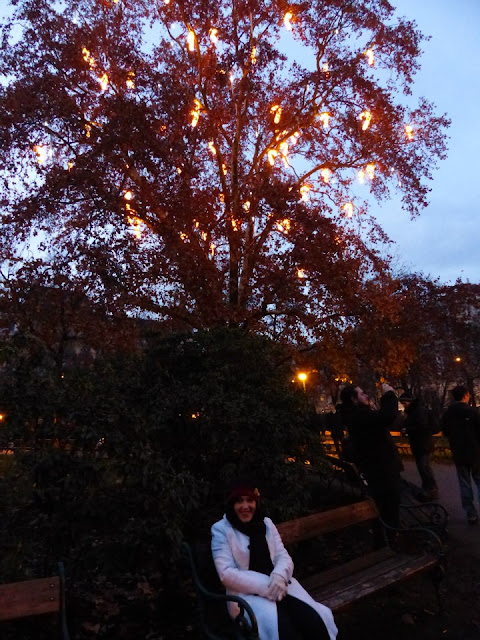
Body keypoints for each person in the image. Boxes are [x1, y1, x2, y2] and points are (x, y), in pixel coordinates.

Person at [211, 481, 338, 640]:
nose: (245, 506)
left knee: (314, 621)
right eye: (239, 501)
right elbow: (226, 574)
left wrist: (279, 576)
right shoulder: (221, 529)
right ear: (231, 504)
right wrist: (269, 586)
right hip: (248, 597)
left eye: (249, 500)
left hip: (282, 586)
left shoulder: (266, 524)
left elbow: (282, 555)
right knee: (283, 631)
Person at [339, 384, 403, 527]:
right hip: (382, 471)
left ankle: (389, 537)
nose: (366, 396)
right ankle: (389, 540)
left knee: (388, 509)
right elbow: (387, 416)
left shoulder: (357, 415)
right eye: (362, 394)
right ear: (353, 399)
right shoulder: (359, 416)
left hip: (380, 470)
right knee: (389, 509)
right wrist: (389, 394)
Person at [442, 385, 480, 524]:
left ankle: (471, 513)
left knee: (465, 484)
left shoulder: (448, 413)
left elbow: (445, 431)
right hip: (475, 453)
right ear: (465, 395)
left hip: (459, 454)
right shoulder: (472, 412)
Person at [399, 392, 438, 501]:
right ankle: (428, 489)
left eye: (404, 403)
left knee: (424, 468)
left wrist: (407, 429)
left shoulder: (419, 411)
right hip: (420, 444)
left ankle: (431, 490)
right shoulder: (414, 411)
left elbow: (422, 426)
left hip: (423, 444)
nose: (403, 405)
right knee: (423, 468)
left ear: (410, 401)